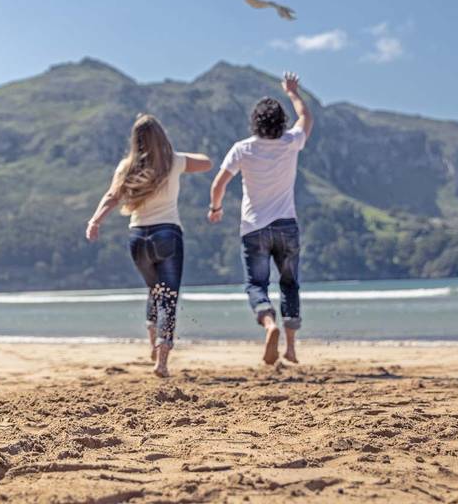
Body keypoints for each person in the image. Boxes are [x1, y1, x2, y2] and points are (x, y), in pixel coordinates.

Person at [86, 114, 212, 377]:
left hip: (138, 238)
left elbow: (112, 196)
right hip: (167, 234)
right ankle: (162, 360)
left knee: (154, 290)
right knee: (167, 297)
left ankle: (152, 342)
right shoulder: (173, 161)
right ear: (161, 137)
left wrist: (95, 221)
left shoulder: (126, 167)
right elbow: (207, 163)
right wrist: (176, 153)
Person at [208, 72, 314, 365]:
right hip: (286, 225)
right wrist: (292, 92)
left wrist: (216, 209)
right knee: (290, 284)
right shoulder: (291, 141)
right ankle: (291, 349)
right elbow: (306, 116)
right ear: (281, 121)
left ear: (254, 121)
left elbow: (218, 184)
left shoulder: (243, 148)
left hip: (253, 228)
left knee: (256, 284)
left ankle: (270, 326)